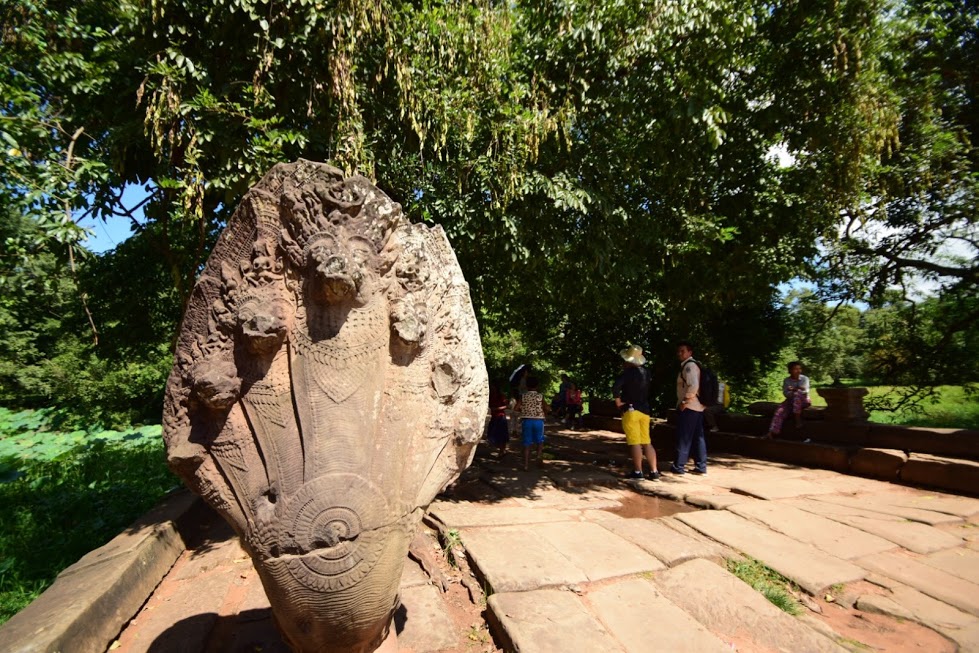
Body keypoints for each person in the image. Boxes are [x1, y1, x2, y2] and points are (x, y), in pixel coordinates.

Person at [612, 345, 661, 480]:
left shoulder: (627, 373)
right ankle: (654, 471)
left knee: (634, 442)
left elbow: (616, 387)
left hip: (631, 409)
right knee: (646, 441)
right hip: (645, 410)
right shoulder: (646, 373)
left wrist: (618, 402)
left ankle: (638, 471)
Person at [671, 340, 707, 475]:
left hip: (690, 406)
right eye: (679, 351)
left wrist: (684, 402)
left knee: (684, 436)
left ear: (689, 352)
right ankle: (701, 466)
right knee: (698, 436)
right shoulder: (693, 365)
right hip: (697, 406)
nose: (680, 353)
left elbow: (693, 385)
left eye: (683, 351)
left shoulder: (689, 366)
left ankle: (679, 466)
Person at [766, 361, 810, 439]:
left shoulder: (804, 379)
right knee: (779, 411)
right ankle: (772, 432)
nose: (798, 371)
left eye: (799, 369)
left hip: (804, 400)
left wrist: (794, 390)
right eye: (795, 369)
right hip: (791, 400)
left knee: (797, 394)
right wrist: (795, 391)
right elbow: (786, 393)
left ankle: (797, 419)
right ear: (790, 370)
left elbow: (805, 391)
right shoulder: (787, 380)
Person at [515, 376, 547, 471]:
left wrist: (524, 410)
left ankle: (526, 465)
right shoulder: (540, 396)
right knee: (540, 441)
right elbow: (547, 407)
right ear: (537, 385)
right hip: (538, 421)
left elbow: (516, 408)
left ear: (526, 386)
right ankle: (538, 456)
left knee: (526, 443)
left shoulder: (523, 396)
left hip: (527, 420)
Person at [486, 381, 510, 456]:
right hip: (494, 417)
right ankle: (500, 449)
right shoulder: (491, 396)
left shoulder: (501, 396)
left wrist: (498, 408)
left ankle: (502, 451)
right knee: (492, 434)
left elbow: (507, 405)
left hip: (500, 417)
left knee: (502, 435)